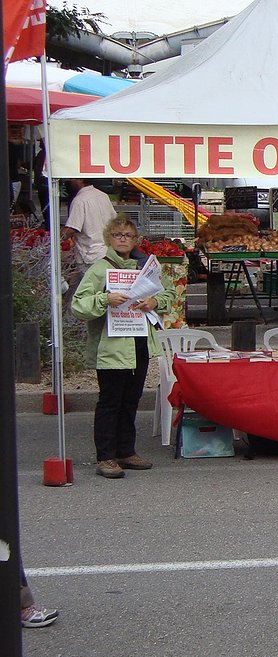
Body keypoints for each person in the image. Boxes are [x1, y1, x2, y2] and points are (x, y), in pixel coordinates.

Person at [71, 215, 176, 478]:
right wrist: (105, 299)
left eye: (128, 235)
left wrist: (154, 302)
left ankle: (126, 451)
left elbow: (168, 294)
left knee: (131, 400)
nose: (123, 240)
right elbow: (78, 305)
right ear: (109, 238)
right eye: (118, 235)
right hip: (111, 347)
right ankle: (106, 457)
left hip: (139, 341)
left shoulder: (145, 266)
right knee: (110, 401)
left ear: (135, 239)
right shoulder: (99, 269)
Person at [62, 178, 117, 286]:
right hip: (105, 252)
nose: (69, 181)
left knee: (89, 290)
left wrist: (55, 237)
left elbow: (72, 228)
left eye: (72, 178)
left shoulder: (79, 200)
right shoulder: (103, 196)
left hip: (89, 255)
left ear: (80, 179)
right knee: (76, 288)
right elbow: (114, 220)